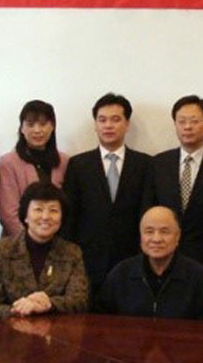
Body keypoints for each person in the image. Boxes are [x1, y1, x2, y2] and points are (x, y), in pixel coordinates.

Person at [63, 93, 152, 295]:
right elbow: (70, 215)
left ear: (127, 124)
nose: (108, 125)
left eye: (115, 119)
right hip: (87, 259)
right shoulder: (78, 165)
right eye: (102, 120)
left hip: (132, 259)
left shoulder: (145, 164)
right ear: (95, 125)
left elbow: (146, 211)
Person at [145, 95, 203, 293]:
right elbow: (146, 215)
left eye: (194, 121)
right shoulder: (158, 164)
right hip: (163, 260)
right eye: (182, 121)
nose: (187, 127)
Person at [0, 182, 89, 323]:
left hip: (57, 332)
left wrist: (49, 304)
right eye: (38, 209)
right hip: (11, 332)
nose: (45, 216)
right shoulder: (1, 251)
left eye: (53, 210)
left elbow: (80, 302)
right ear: (25, 216)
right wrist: (22, 308)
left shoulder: (72, 253)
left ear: (62, 218)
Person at [96, 206, 203, 320]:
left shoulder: (201, 279)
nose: (156, 239)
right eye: (149, 232)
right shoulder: (120, 275)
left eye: (164, 232)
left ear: (178, 236)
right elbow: (102, 322)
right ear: (140, 236)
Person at [0, 100, 69, 237]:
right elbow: (9, 214)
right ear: (22, 128)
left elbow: (67, 207)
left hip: (58, 242)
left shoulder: (64, 161)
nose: (37, 130)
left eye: (43, 124)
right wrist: (33, 241)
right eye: (30, 124)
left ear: (52, 126)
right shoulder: (8, 162)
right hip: (18, 241)